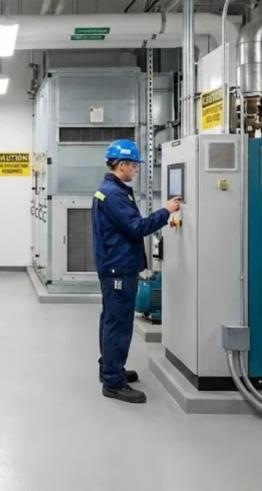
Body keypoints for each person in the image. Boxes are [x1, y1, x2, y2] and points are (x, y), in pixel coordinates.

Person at [92, 139, 181, 404]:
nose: (137, 170)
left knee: (110, 318)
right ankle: (113, 383)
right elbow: (137, 227)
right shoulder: (115, 194)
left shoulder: (112, 189)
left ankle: (110, 368)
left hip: (113, 265)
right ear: (121, 165)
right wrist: (166, 211)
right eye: (133, 165)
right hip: (118, 267)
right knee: (118, 323)